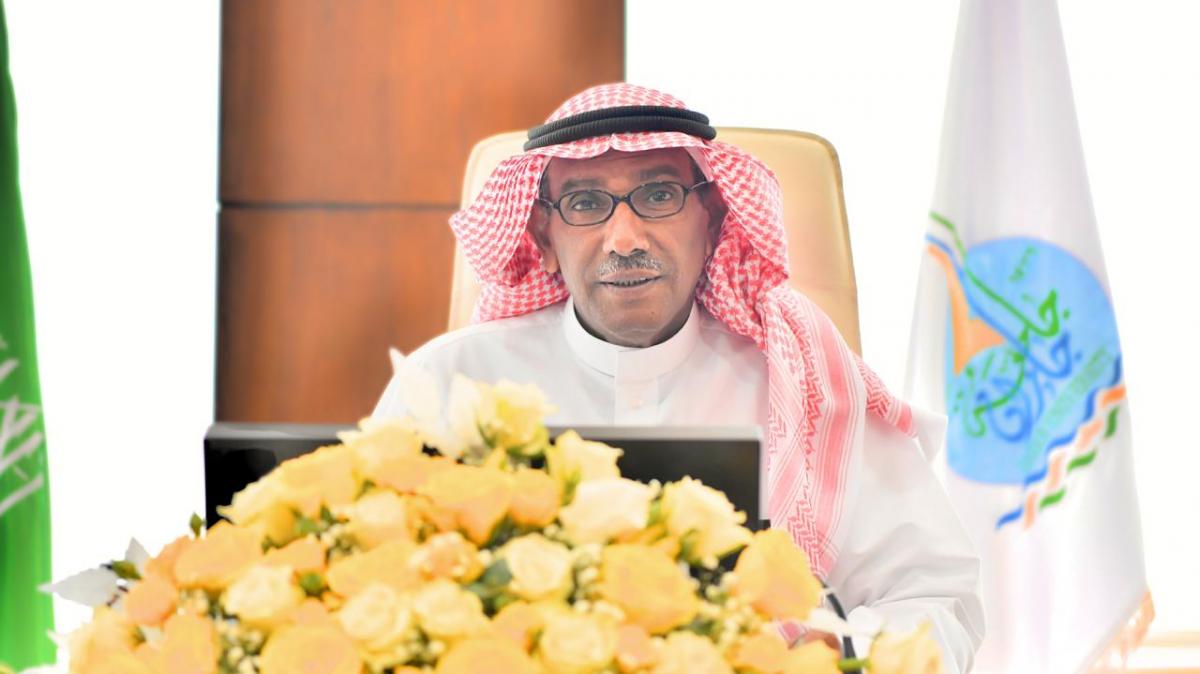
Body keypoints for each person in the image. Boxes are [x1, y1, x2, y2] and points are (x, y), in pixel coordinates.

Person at [373, 83, 984, 670]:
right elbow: (367, 580)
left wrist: (833, 653)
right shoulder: (450, 381)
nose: (623, 239)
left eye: (659, 194)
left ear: (712, 219)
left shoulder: (807, 380)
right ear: (543, 236)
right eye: (585, 204)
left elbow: (937, 597)